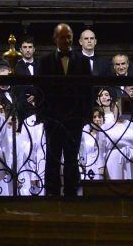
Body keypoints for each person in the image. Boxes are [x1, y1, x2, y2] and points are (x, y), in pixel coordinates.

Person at [36, 23, 92, 197]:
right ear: (55, 39)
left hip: (74, 118)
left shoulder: (83, 61)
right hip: (52, 118)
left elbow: (88, 90)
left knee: (72, 157)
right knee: (52, 157)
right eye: (62, 37)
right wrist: (43, 116)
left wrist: (86, 116)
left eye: (68, 37)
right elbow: (40, 90)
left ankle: (71, 194)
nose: (66, 40)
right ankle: (51, 194)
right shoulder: (44, 61)